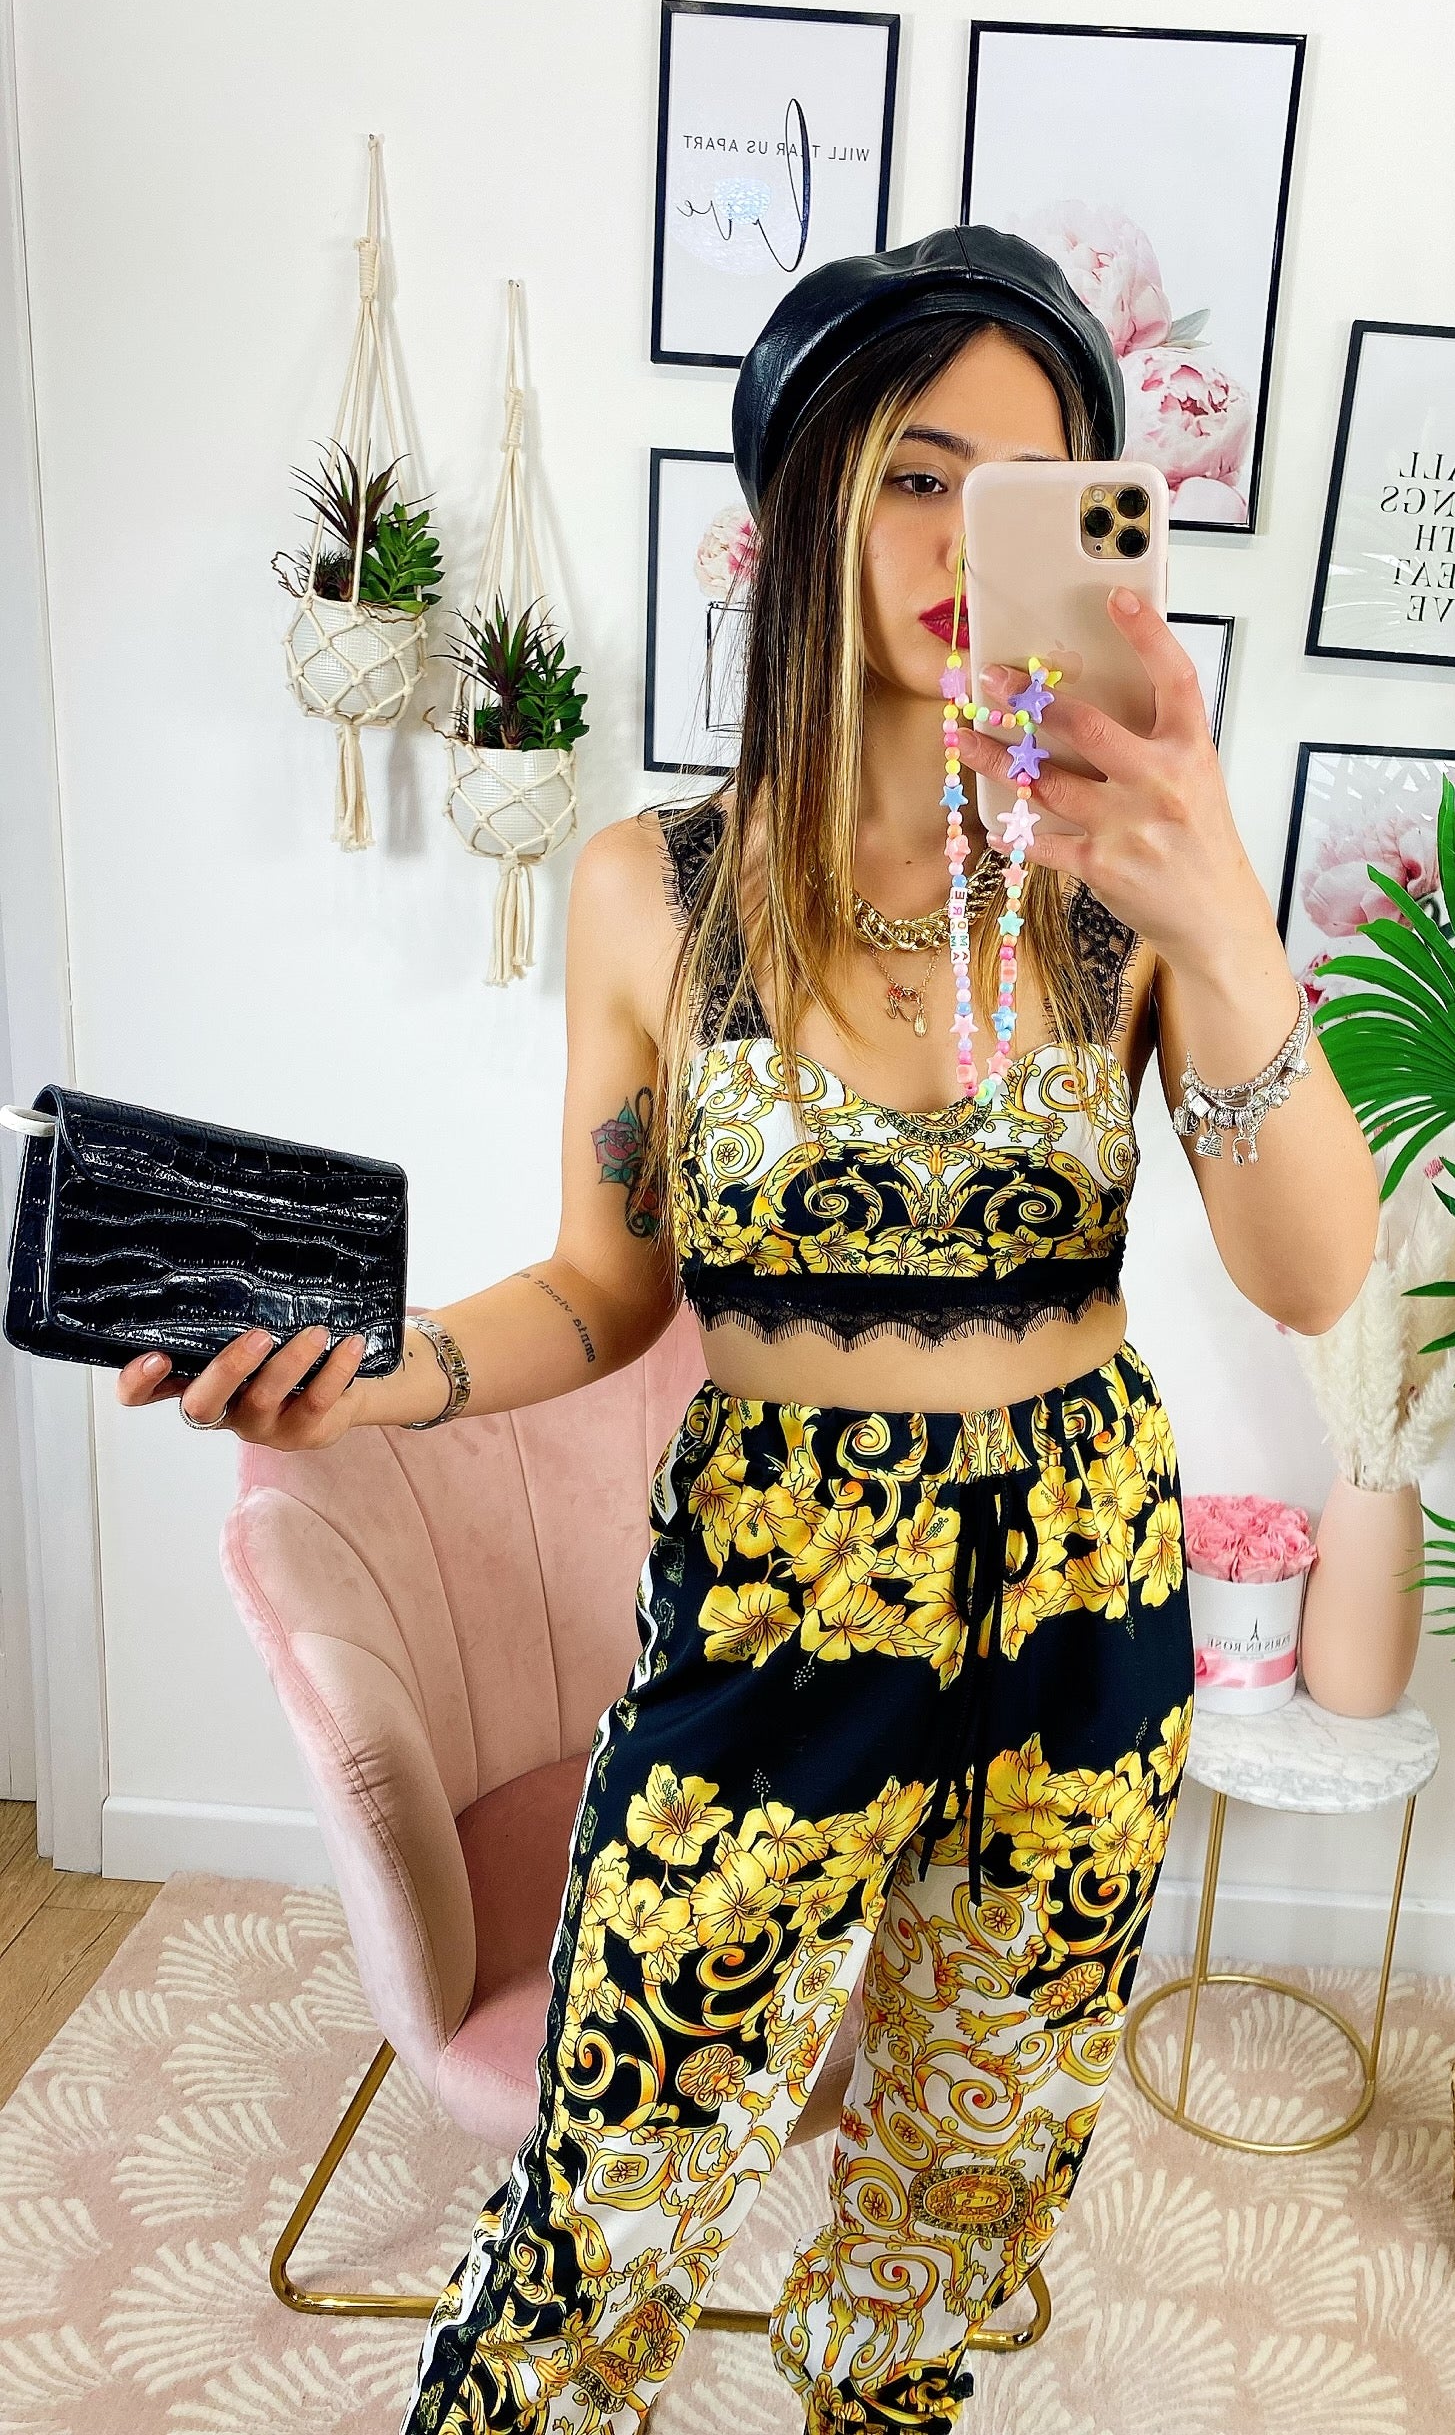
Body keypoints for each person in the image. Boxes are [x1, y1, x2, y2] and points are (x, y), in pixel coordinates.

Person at [119, 227, 1378, 2433]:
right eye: (916, 475)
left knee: (963, 2189)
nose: (965, 541)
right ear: (802, 504)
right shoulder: (652, 890)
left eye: (1028, 488)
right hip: (779, 1591)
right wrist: (382, 1372)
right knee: (610, 2190)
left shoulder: (1129, 879)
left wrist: (1224, 920)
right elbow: (605, 1286)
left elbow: (1312, 1276)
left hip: (1086, 1596)